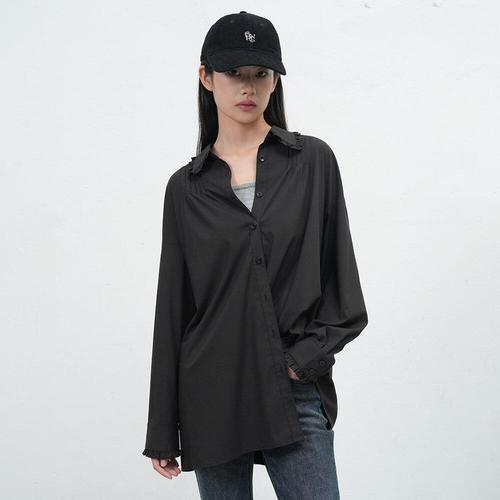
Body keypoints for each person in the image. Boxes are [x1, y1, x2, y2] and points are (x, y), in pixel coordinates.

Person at [142, 11, 368, 499]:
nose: (248, 86)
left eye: (260, 74)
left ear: (275, 81)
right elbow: (173, 309)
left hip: (294, 390)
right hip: (211, 396)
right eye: (233, 73)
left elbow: (344, 292)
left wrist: (301, 362)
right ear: (206, 77)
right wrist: (162, 427)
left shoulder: (313, 163)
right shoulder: (185, 189)